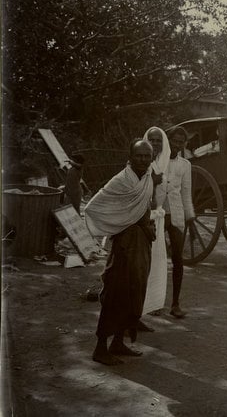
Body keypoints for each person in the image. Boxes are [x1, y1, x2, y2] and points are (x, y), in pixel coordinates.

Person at [85, 139, 156, 365]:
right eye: (139, 156)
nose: (143, 160)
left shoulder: (148, 178)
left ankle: (118, 342)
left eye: (147, 156)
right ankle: (100, 348)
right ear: (131, 157)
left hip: (141, 244)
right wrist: (119, 223)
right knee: (115, 294)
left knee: (134, 292)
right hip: (124, 245)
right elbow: (93, 207)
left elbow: (145, 208)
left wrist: (146, 225)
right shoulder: (121, 181)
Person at [162, 127, 196, 319]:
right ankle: (149, 304)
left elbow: (186, 193)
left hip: (176, 216)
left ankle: (175, 303)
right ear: (169, 140)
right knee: (152, 260)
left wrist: (189, 217)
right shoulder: (157, 161)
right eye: (174, 141)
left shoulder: (185, 165)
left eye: (181, 142)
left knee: (178, 260)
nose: (177, 145)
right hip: (158, 214)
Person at [142, 126, 171, 319]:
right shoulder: (142, 161)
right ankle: (138, 309)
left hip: (158, 217)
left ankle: (150, 306)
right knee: (143, 264)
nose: (155, 143)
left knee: (157, 263)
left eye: (158, 140)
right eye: (151, 140)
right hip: (143, 219)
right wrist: (153, 180)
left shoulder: (165, 162)